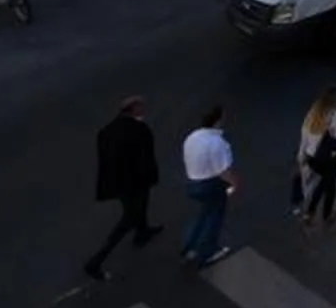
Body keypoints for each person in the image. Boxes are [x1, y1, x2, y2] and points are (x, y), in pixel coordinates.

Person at [86, 94, 164, 281]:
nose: (144, 110)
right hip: (136, 182)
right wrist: (150, 177)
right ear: (134, 109)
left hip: (118, 183)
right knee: (129, 218)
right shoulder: (140, 130)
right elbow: (146, 158)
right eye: (141, 107)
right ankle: (95, 262)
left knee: (140, 206)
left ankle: (142, 232)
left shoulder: (106, 131)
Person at [180, 106, 239, 268]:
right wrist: (235, 183)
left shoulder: (192, 137)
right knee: (215, 218)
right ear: (218, 121)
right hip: (210, 185)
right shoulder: (218, 143)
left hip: (192, 182)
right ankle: (208, 252)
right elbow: (224, 171)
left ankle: (189, 246)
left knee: (203, 215)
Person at [295, 87, 336, 233]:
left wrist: (301, 155)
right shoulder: (335, 114)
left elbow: (304, 132)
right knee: (330, 187)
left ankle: (310, 213)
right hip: (328, 158)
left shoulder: (313, 112)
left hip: (312, 157)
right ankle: (326, 216)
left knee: (324, 183)